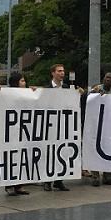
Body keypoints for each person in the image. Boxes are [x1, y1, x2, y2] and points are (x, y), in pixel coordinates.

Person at [44, 63, 73, 192]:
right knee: (49, 153)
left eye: (63, 71)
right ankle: (47, 181)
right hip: (50, 125)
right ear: (53, 73)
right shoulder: (46, 89)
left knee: (62, 152)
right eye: (59, 71)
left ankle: (59, 180)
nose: (62, 73)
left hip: (62, 124)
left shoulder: (66, 88)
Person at [88, 72, 111, 186]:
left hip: (109, 125)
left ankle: (107, 176)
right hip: (96, 123)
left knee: (108, 150)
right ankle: (95, 177)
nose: (108, 79)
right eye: (106, 77)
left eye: (110, 78)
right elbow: (88, 101)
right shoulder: (96, 89)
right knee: (95, 150)